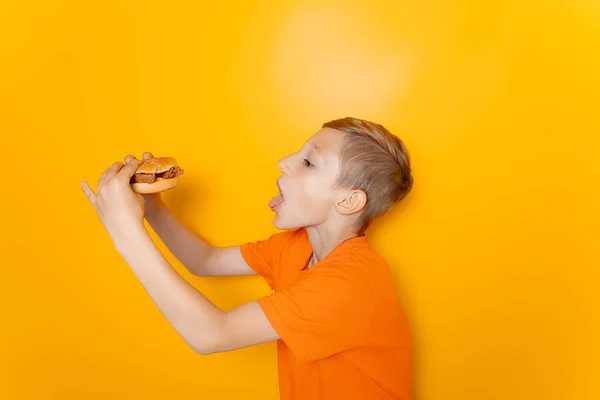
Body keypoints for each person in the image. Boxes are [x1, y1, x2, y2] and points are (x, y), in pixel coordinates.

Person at [81, 116, 414, 400]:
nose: (284, 160)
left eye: (309, 162)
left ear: (348, 200)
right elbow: (205, 261)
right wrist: (152, 203)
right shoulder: (294, 247)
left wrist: (125, 232)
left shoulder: (352, 283)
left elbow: (212, 334)